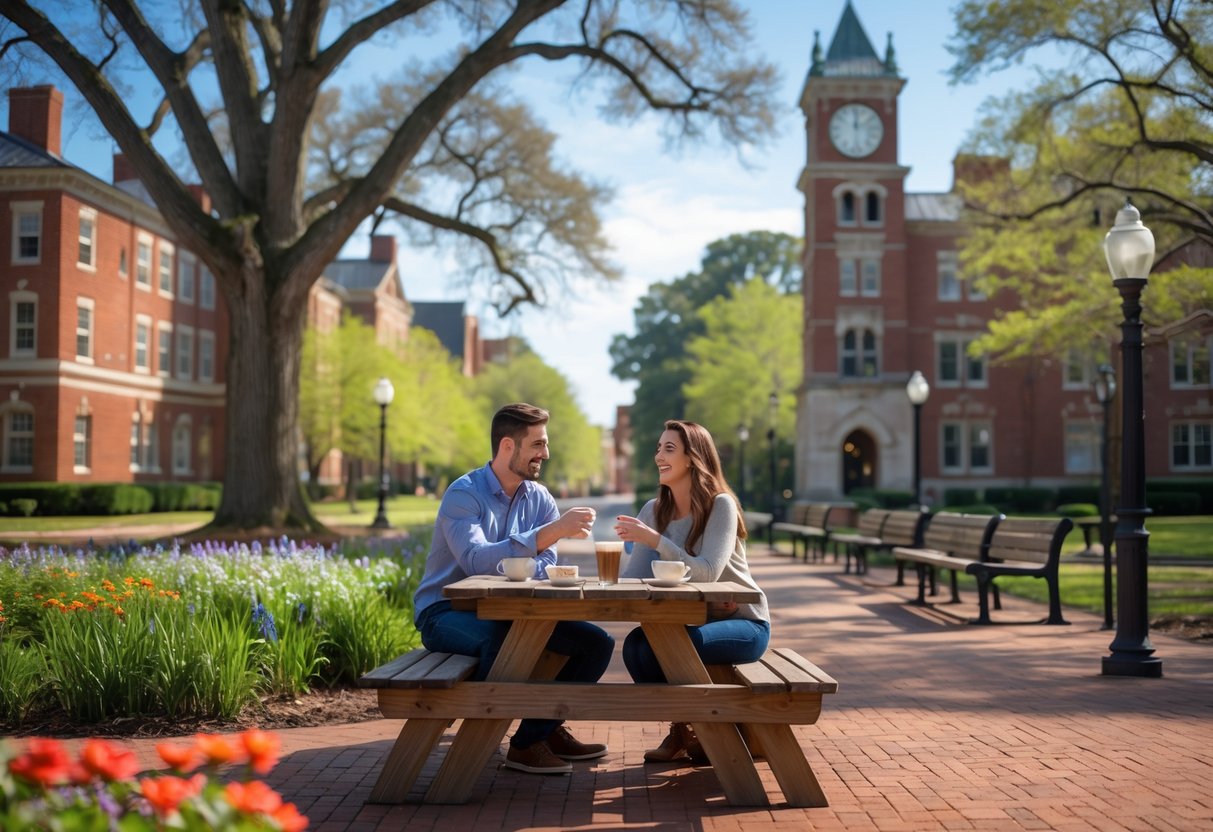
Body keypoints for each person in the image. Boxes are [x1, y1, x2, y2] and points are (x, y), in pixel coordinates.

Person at [413, 402, 615, 775]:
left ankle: (537, 734)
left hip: (512, 614)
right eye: (537, 444)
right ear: (508, 446)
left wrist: (523, 555)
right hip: (445, 612)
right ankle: (480, 747)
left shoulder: (540, 499)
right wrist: (548, 534)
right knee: (506, 645)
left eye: (545, 443)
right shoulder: (464, 495)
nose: (545, 454)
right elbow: (475, 561)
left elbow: (546, 567)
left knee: (596, 644)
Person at [613, 419, 770, 763]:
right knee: (637, 648)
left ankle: (714, 730)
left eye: (669, 449)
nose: (659, 456)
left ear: (692, 458)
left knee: (671, 650)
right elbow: (634, 582)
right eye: (658, 448)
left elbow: (709, 573)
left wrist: (657, 542)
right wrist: (635, 555)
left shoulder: (720, 505)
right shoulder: (652, 511)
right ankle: (687, 727)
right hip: (694, 620)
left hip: (744, 622)